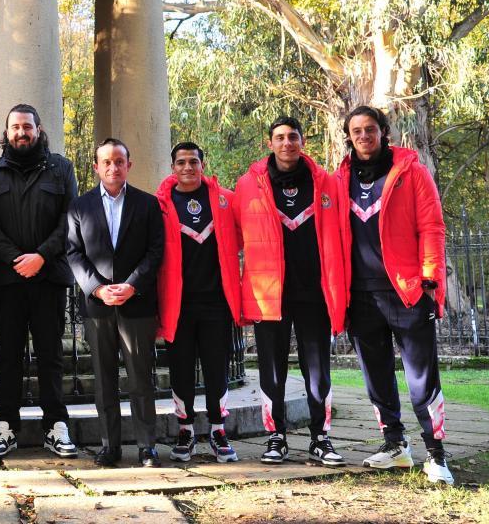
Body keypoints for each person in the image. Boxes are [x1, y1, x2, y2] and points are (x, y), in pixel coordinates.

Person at [335, 105, 453, 484]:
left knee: (421, 379)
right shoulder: (340, 180)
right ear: (349, 137)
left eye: (371, 129)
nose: (364, 136)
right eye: (357, 131)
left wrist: (430, 282)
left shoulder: (411, 173)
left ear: (384, 131)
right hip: (361, 296)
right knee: (377, 376)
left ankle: (436, 454)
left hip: (407, 294)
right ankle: (395, 446)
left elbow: (432, 227)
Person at [234, 117, 348, 467]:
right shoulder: (247, 185)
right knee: (271, 369)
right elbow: (233, 240)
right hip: (269, 295)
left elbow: (343, 232)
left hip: (314, 293)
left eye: (293, 137)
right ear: (270, 143)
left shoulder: (326, 183)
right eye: (280, 138)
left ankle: (320, 437)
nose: (287, 143)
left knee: (318, 369)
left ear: (302, 141)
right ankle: (276, 437)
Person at [0, 104, 79, 459]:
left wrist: (40, 256)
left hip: (49, 275)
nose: (22, 132)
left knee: (51, 355)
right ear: (6, 133)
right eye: (15, 127)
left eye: (27, 127)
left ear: (38, 129)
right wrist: (13, 258)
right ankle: (6, 426)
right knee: (8, 355)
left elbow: (71, 218)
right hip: (8, 279)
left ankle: (56, 425)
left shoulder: (60, 168)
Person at [66, 138, 165, 467]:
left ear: (128, 165)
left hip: (136, 306)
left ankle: (146, 446)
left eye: (119, 161)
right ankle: (110, 447)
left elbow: (155, 252)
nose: (113, 167)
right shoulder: (79, 207)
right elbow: (73, 253)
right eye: (106, 162)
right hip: (98, 308)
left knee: (140, 379)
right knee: (104, 379)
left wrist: (132, 286)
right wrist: (96, 288)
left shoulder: (148, 205)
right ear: (96, 167)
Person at [156, 142, 242, 463]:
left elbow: (244, 237)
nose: (188, 168)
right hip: (177, 304)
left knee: (216, 368)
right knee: (180, 369)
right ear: (173, 167)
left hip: (216, 303)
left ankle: (219, 430)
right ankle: (186, 429)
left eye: (193, 162)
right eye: (181, 162)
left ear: (202, 165)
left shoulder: (225, 200)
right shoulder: (161, 204)